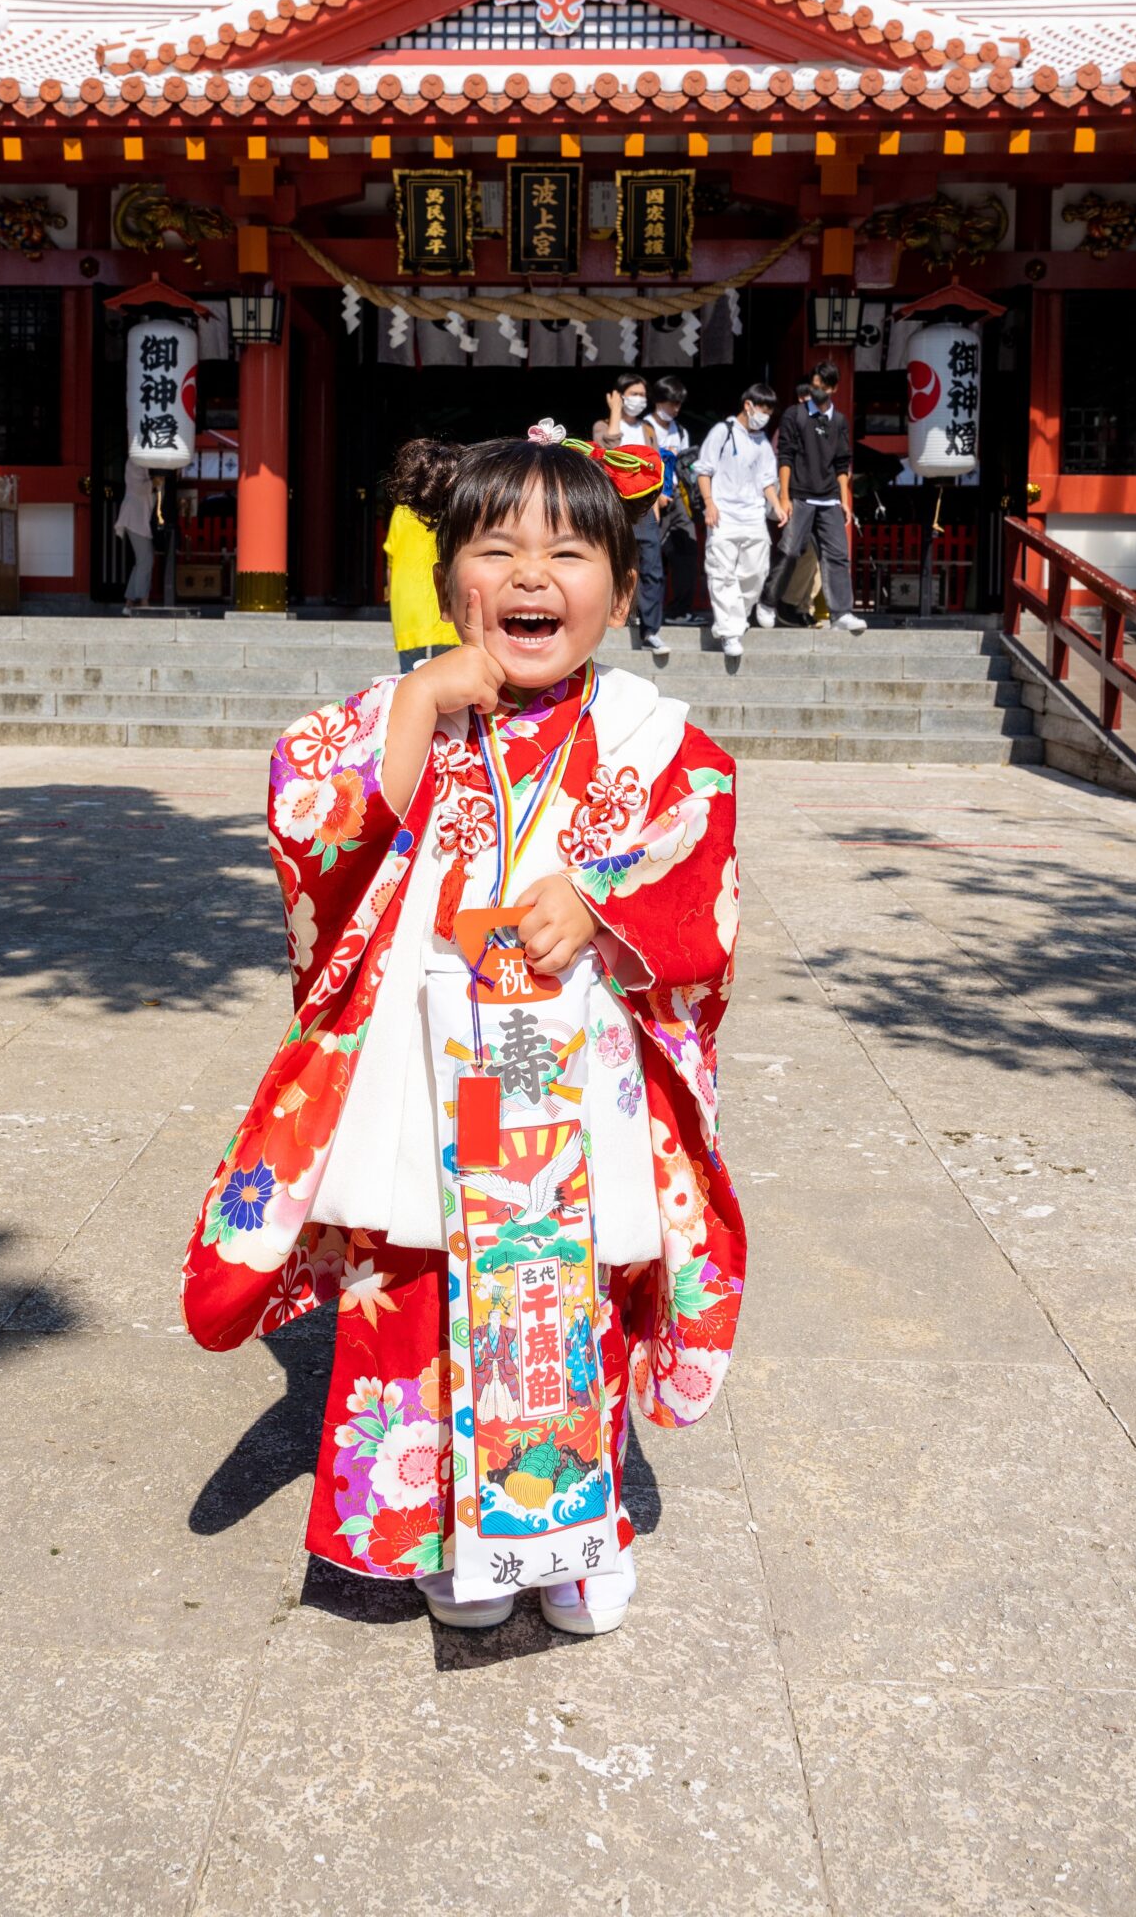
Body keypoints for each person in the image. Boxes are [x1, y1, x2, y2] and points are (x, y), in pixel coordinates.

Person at [182, 433, 743, 1642]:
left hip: (567, 1077)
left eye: (570, 551)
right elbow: (310, 807)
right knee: (418, 1288)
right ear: (449, 590)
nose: (533, 576)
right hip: (432, 1071)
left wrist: (599, 901)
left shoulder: (655, 740)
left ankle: (573, 1530)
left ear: (627, 591)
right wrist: (414, 701)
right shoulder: (422, 714)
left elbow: (702, 864)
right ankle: (443, 1530)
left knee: (560, 1291)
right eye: (497, 550)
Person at [764, 362, 867, 636]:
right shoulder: (795, 415)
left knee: (837, 555)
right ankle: (768, 601)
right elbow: (784, 456)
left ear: (833, 389)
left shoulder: (839, 420)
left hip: (830, 497)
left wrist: (844, 498)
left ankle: (841, 612)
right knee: (789, 550)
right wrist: (785, 496)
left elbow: (842, 463)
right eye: (815, 385)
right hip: (799, 494)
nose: (817, 391)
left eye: (823, 387)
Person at [695, 383, 784, 662]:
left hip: (753, 515)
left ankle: (736, 617)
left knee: (755, 573)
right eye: (763, 409)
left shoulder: (762, 441)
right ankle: (730, 631)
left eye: (770, 411)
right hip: (723, 514)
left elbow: (767, 480)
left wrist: (778, 506)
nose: (765, 416)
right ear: (748, 405)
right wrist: (709, 503)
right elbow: (704, 470)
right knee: (721, 572)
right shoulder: (723, 432)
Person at [592, 371, 669, 665]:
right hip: (615, 507)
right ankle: (609, 617)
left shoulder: (649, 430)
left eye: (642, 395)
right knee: (614, 565)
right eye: (633, 393)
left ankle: (652, 630)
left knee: (651, 567)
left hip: (644, 509)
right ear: (620, 396)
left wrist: (658, 498)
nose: (639, 399)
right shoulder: (603, 425)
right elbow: (609, 450)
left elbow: (655, 465)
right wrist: (614, 412)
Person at [383, 438, 461, 671]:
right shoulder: (451, 510)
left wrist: (388, 594)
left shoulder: (402, 511)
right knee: (444, 668)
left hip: (407, 596)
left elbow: (391, 558)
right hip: (444, 593)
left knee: (408, 672)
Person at [650, 374, 700, 622]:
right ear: (658, 401)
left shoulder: (680, 431)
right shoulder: (644, 427)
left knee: (686, 550)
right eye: (672, 403)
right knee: (648, 554)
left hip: (678, 496)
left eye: (679, 404)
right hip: (649, 497)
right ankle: (644, 611)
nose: (676, 409)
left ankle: (680, 609)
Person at [114, 457, 156, 608]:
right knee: (146, 560)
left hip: (138, 518)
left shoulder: (143, 462)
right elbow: (139, 488)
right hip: (135, 518)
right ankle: (142, 599)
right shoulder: (134, 462)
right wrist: (156, 481)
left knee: (142, 561)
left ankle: (129, 602)